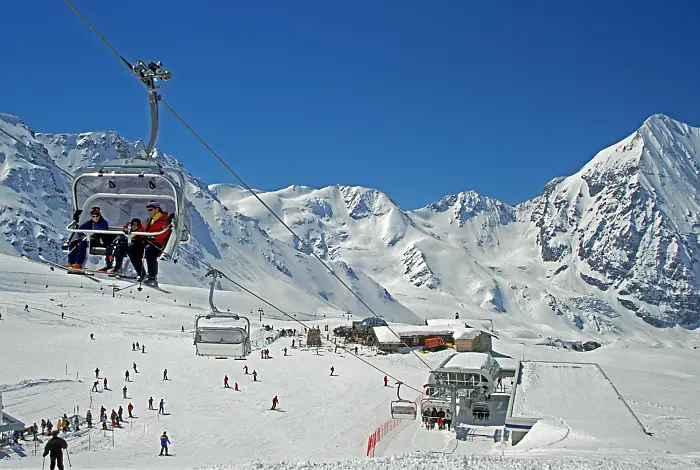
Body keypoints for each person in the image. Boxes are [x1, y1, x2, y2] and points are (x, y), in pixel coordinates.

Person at [127, 201, 171, 285]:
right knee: (131, 248)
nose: (149, 212)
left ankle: (152, 277)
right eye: (148, 210)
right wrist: (134, 232)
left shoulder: (164, 221)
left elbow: (164, 234)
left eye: (151, 210)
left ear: (157, 209)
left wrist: (151, 237)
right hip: (146, 242)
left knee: (149, 250)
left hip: (157, 244)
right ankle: (141, 273)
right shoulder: (148, 221)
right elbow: (142, 230)